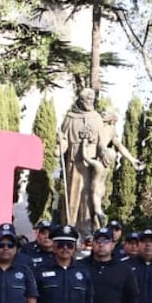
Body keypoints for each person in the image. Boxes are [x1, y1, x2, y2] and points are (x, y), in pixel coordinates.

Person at [58, 88, 106, 229]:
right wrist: (60, 145)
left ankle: (89, 230)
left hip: (91, 164)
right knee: (72, 198)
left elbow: (102, 141)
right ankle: (69, 227)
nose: (90, 102)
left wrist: (103, 151)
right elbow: (64, 141)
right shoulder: (70, 117)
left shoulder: (96, 117)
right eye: (87, 99)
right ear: (80, 100)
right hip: (74, 163)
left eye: (92, 100)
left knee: (88, 199)